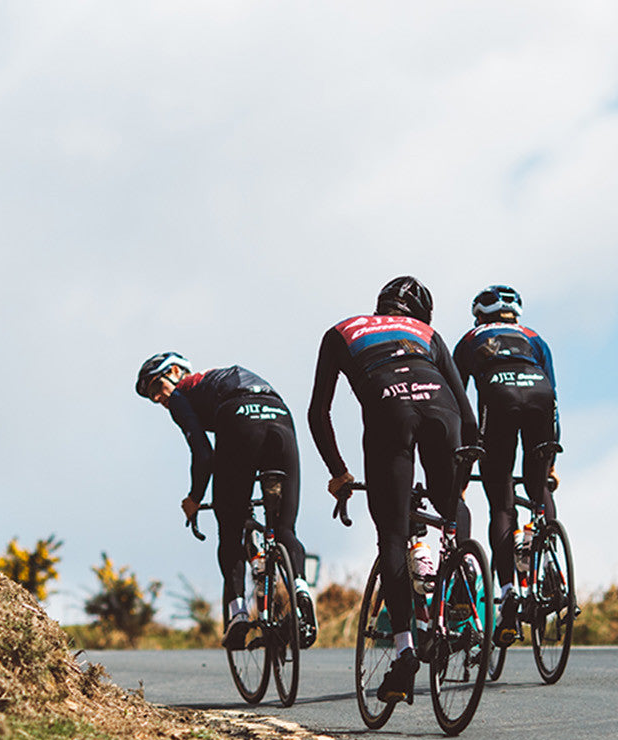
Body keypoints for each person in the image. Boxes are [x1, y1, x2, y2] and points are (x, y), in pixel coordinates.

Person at [307, 276, 478, 705]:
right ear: (419, 315)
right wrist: (459, 478)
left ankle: (404, 652)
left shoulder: (342, 330)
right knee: (450, 505)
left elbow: (318, 412)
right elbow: (471, 419)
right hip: (442, 408)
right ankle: (459, 583)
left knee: (394, 535)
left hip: (388, 410)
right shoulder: (428, 334)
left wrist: (339, 472)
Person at [134, 353, 314, 650]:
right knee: (285, 529)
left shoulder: (181, 394)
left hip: (239, 420)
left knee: (229, 527)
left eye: (156, 387)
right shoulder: (219, 377)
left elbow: (204, 455)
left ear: (176, 371)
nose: (156, 398)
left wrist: (194, 499)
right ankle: (301, 592)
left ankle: (238, 613)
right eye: (150, 396)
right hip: (281, 416)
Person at [454, 284, 558, 646]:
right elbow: (554, 396)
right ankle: (549, 566)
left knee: (501, 502)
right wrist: (550, 465)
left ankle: (510, 591)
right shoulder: (535, 338)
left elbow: (457, 404)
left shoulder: (470, 338)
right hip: (540, 396)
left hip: (497, 400)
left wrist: (462, 467)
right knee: (538, 485)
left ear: (480, 315)